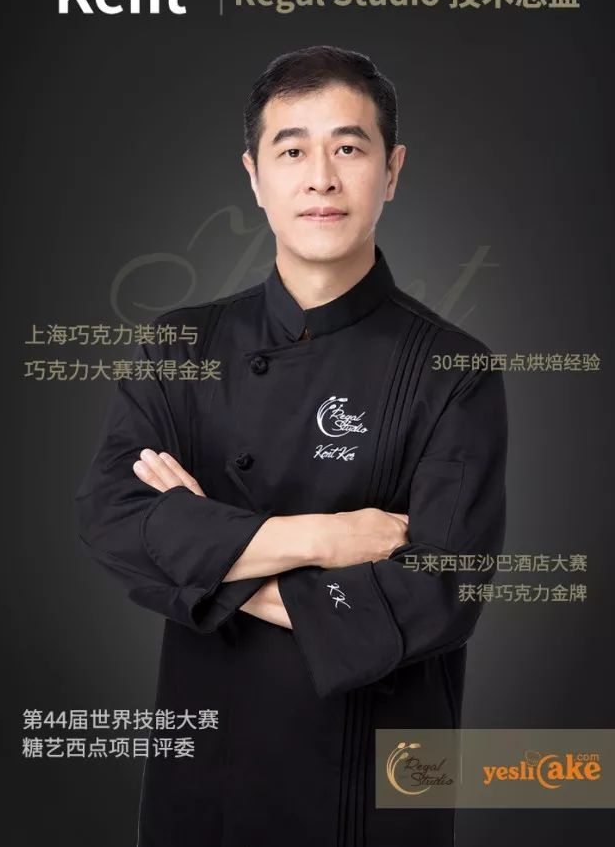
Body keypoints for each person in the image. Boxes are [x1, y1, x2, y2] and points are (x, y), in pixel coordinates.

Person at [75, 44, 508, 847]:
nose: (321, 178)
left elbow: (440, 592)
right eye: (292, 150)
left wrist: (207, 557)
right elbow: (112, 517)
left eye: (349, 147)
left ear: (392, 169)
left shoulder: (455, 369)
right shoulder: (181, 343)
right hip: (202, 782)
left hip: (364, 794)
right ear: (254, 176)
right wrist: (319, 538)